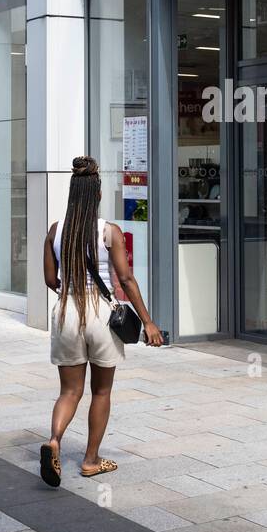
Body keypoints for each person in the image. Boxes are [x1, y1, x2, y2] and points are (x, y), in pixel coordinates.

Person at [39, 155, 163, 487]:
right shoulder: (110, 232)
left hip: (67, 310)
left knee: (69, 391)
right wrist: (148, 322)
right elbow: (126, 280)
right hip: (101, 314)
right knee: (102, 391)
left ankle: (54, 441)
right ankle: (91, 460)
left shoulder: (55, 231)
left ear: (71, 194)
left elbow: (51, 280)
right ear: (97, 194)